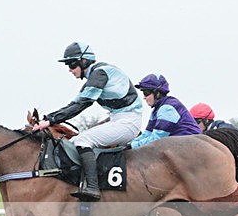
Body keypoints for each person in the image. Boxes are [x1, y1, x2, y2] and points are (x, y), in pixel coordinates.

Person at [31, 42, 143, 201]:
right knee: (75, 141)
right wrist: (48, 119)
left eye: (71, 64)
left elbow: (81, 105)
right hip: (119, 119)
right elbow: (73, 104)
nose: (69, 69)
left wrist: (49, 121)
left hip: (128, 122)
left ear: (83, 61)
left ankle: (93, 186)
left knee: (83, 140)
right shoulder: (95, 77)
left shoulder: (100, 74)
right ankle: (86, 182)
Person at [130, 74, 201, 149]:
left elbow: (157, 139)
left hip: (191, 146)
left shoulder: (167, 108)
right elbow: (147, 134)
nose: (144, 97)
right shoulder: (156, 109)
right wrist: (130, 144)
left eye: (146, 93)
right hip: (181, 144)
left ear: (158, 93)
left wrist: (133, 146)